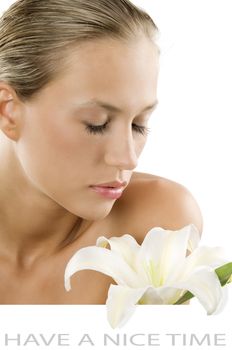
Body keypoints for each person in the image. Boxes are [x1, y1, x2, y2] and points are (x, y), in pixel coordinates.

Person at [0, 0, 203, 304]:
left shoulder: (157, 228)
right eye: (97, 124)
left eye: (138, 124)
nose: (128, 158)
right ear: (9, 112)